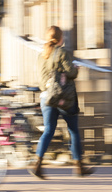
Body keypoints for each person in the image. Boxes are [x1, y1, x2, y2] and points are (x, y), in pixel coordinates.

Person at [29, 26, 94, 179]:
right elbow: (72, 73)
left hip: (46, 97)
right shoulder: (62, 52)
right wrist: (75, 68)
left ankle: (37, 164)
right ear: (60, 38)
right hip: (63, 98)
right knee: (73, 130)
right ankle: (79, 166)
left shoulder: (41, 55)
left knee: (48, 130)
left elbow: (41, 78)